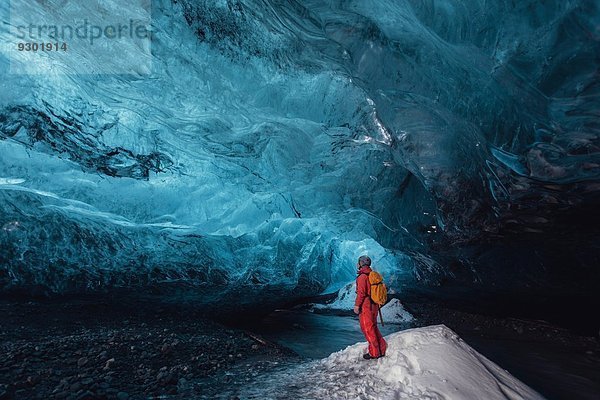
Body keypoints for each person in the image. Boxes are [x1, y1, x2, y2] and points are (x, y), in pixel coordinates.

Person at [353, 255, 387, 360]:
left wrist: (357, 305)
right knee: (373, 327)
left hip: (366, 306)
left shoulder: (363, 276)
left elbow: (361, 293)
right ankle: (381, 348)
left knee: (368, 329)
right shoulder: (372, 274)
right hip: (374, 305)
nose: (357, 264)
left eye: (358, 262)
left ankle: (375, 353)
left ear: (361, 263)